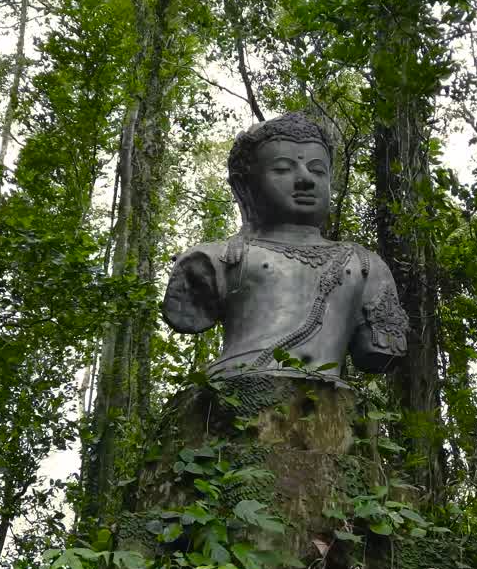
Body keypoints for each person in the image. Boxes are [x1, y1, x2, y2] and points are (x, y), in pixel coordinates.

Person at [162, 112, 408, 382]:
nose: (305, 179)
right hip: (230, 392)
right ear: (245, 185)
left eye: (317, 170)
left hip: (327, 400)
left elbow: (378, 351)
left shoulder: (365, 265)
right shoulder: (218, 258)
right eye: (282, 169)